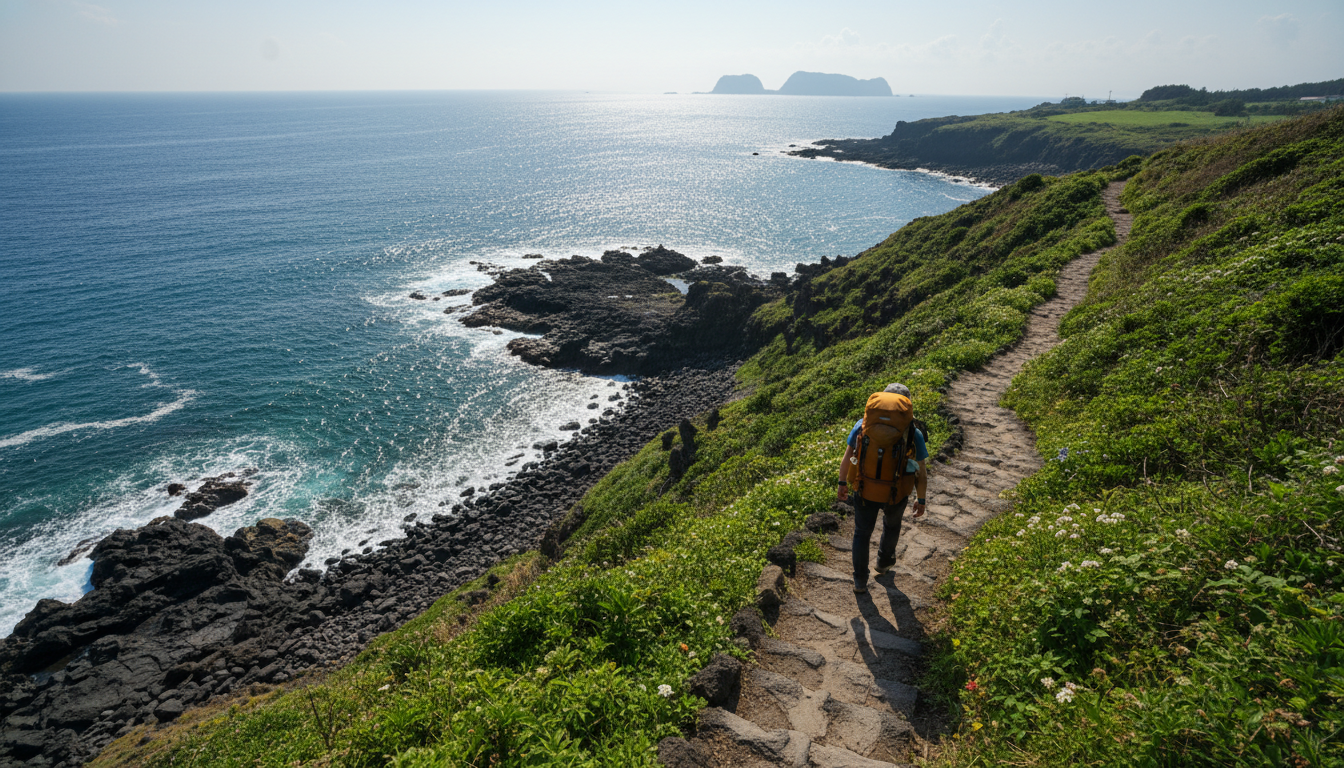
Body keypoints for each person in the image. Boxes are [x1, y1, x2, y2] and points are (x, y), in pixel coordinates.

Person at [837, 383, 928, 593]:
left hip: (864, 488)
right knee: (892, 526)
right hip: (896, 493)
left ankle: (860, 580)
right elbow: (920, 472)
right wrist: (920, 499)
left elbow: (847, 457)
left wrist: (843, 483)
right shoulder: (914, 432)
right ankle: (883, 562)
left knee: (861, 532)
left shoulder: (862, 425)